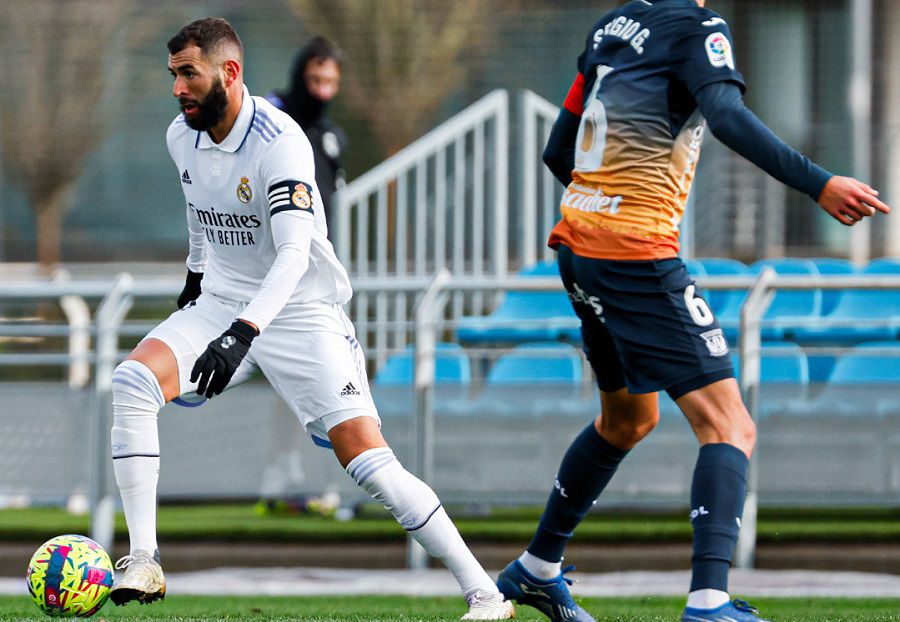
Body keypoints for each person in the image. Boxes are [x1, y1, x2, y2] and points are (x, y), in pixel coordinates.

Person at [108, 17, 513, 621]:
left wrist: (243, 334)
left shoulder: (281, 141)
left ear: (229, 72)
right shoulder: (180, 135)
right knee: (133, 382)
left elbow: (295, 257)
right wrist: (196, 277)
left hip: (300, 313)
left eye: (188, 74)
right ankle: (143, 559)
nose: (178, 89)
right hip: (220, 301)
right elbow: (198, 207)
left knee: (371, 464)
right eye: (173, 75)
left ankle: (486, 595)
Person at [496, 2, 890, 622]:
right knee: (731, 425)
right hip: (634, 252)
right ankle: (709, 602)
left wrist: (606, 200)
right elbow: (727, 117)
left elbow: (557, 149)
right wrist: (819, 183)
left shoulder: (613, 26)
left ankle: (537, 569)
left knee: (625, 421)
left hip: (579, 243)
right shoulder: (699, 29)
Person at [267, 36, 347, 227]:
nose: (322, 92)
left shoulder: (332, 136)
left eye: (330, 82)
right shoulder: (272, 115)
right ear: (300, 77)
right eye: (315, 80)